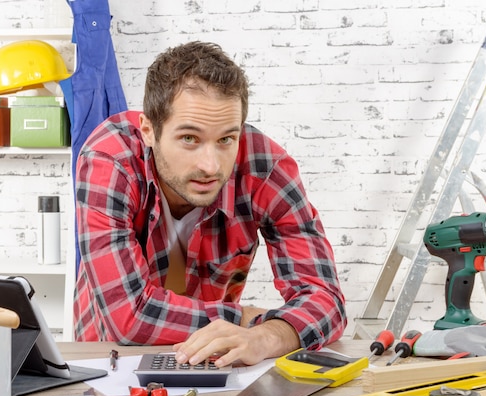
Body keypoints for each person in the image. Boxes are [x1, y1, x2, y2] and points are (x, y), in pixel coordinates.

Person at [73, 41, 346, 367]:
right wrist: (245, 318)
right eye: (189, 138)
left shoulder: (266, 169)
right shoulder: (110, 158)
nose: (211, 165)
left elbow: (326, 300)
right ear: (149, 130)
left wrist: (264, 336)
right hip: (109, 363)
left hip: (213, 363)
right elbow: (128, 315)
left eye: (226, 139)